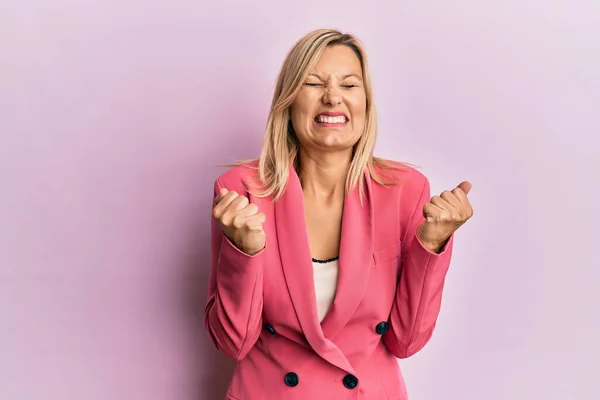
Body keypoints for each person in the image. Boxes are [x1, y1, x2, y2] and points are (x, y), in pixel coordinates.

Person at [204, 28, 474, 399]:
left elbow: (406, 341)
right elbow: (232, 343)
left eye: (349, 86)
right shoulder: (242, 191)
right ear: (288, 100)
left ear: (366, 101)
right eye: (314, 84)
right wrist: (245, 252)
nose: (333, 98)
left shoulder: (406, 191)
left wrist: (432, 245)